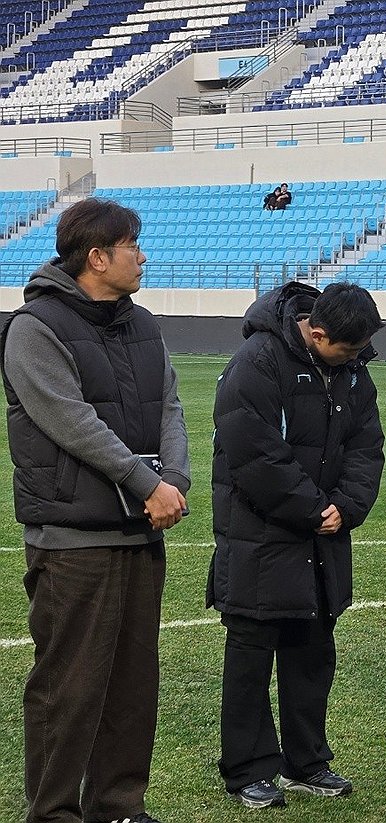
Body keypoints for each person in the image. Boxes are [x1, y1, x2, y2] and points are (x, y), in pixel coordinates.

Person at [2, 198, 190, 823]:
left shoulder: (142, 323)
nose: (143, 256)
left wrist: (176, 478)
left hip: (138, 534)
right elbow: (71, 423)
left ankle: (117, 806)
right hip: (72, 539)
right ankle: (54, 813)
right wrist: (147, 484)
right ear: (97, 257)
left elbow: (169, 403)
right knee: (68, 690)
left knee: (133, 687)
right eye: (133, 245)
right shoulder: (35, 327)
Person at [209, 281, 385, 807]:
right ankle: (246, 770)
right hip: (259, 537)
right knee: (250, 657)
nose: (357, 359)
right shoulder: (257, 361)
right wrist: (314, 509)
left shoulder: (353, 371)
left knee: (312, 654)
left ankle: (306, 762)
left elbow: (367, 446)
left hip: (323, 537)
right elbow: (252, 452)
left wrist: (345, 508)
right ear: (318, 331)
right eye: (349, 350)